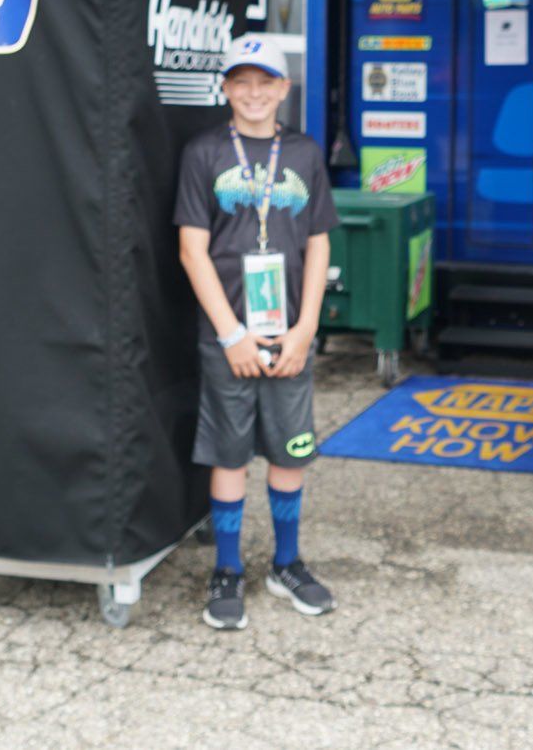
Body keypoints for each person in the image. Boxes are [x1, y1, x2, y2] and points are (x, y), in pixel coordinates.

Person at [173, 33, 340, 631]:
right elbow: (192, 251)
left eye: (264, 82)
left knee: (290, 449)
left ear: (283, 89)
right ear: (225, 89)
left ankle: (287, 563)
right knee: (229, 451)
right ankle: (226, 569)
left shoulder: (303, 153)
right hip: (230, 336)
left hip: (288, 332)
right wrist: (231, 335)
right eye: (241, 82)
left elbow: (319, 243)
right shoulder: (204, 153)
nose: (253, 93)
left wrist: (306, 330)